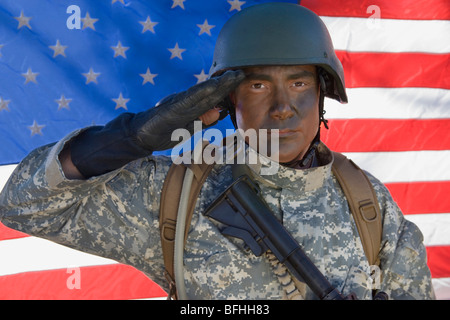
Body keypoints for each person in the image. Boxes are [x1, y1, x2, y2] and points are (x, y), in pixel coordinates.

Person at [0, 3, 435, 300]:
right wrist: (134, 137)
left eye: (300, 83)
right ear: (228, 100)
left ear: (323, 96)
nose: (283, 107)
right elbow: (24, 205)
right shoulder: (176, 191)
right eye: (259, 85)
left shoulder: (367, 202)